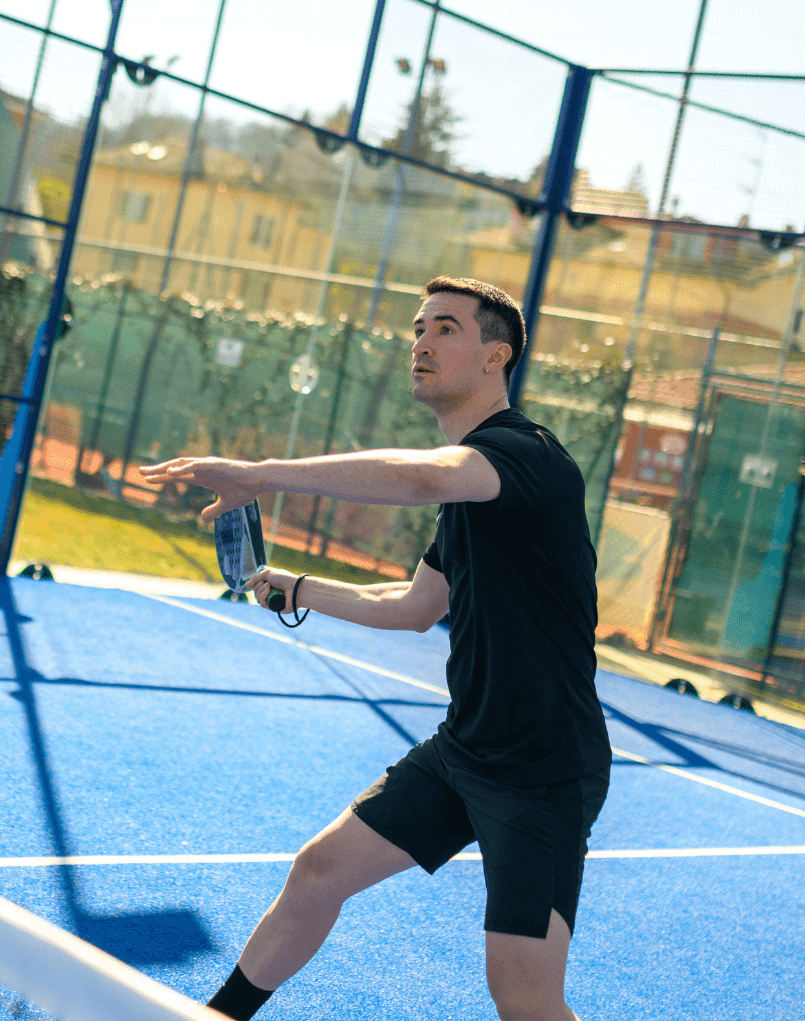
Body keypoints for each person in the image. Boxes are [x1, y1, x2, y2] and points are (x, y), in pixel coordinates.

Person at [141, 277, 610, 1021]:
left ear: (498, 354)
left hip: (543, 771)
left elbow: (423, 475)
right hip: (468, 750)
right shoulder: (471, 496)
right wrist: (296, 588)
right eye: (418, 329)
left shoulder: (526, 456)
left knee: (523, 997)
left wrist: (258, 472)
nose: (421, 343)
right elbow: (414, 607)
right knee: (319, 869)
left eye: (446, 329)